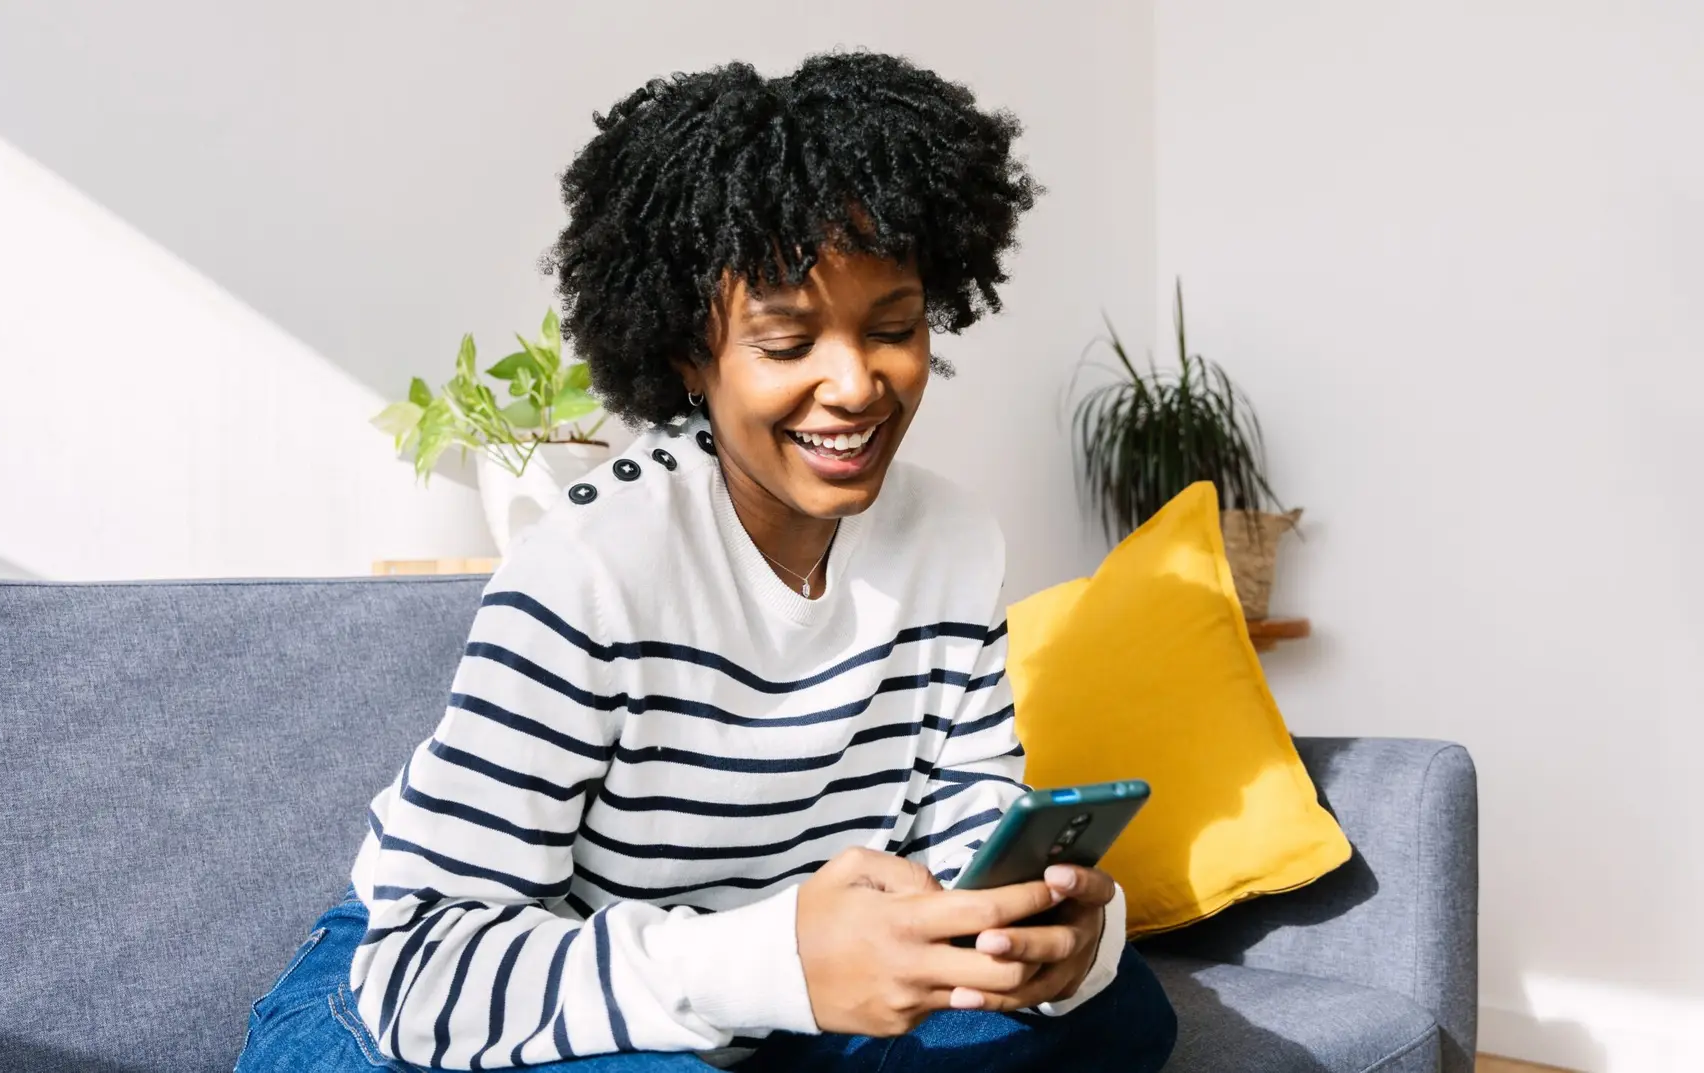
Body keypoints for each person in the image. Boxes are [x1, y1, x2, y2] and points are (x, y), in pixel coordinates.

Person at [236, 50, 1176, 1073]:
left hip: (751, 993)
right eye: (785, 344)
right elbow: (426, 972)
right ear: (691, 354)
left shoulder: (952, 544)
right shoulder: (591, 574)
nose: (855, 384)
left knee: (1117, 1007)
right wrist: (780, 963)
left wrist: (1050, 941)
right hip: (418, 996)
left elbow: (964, 848)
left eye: (894, 329)